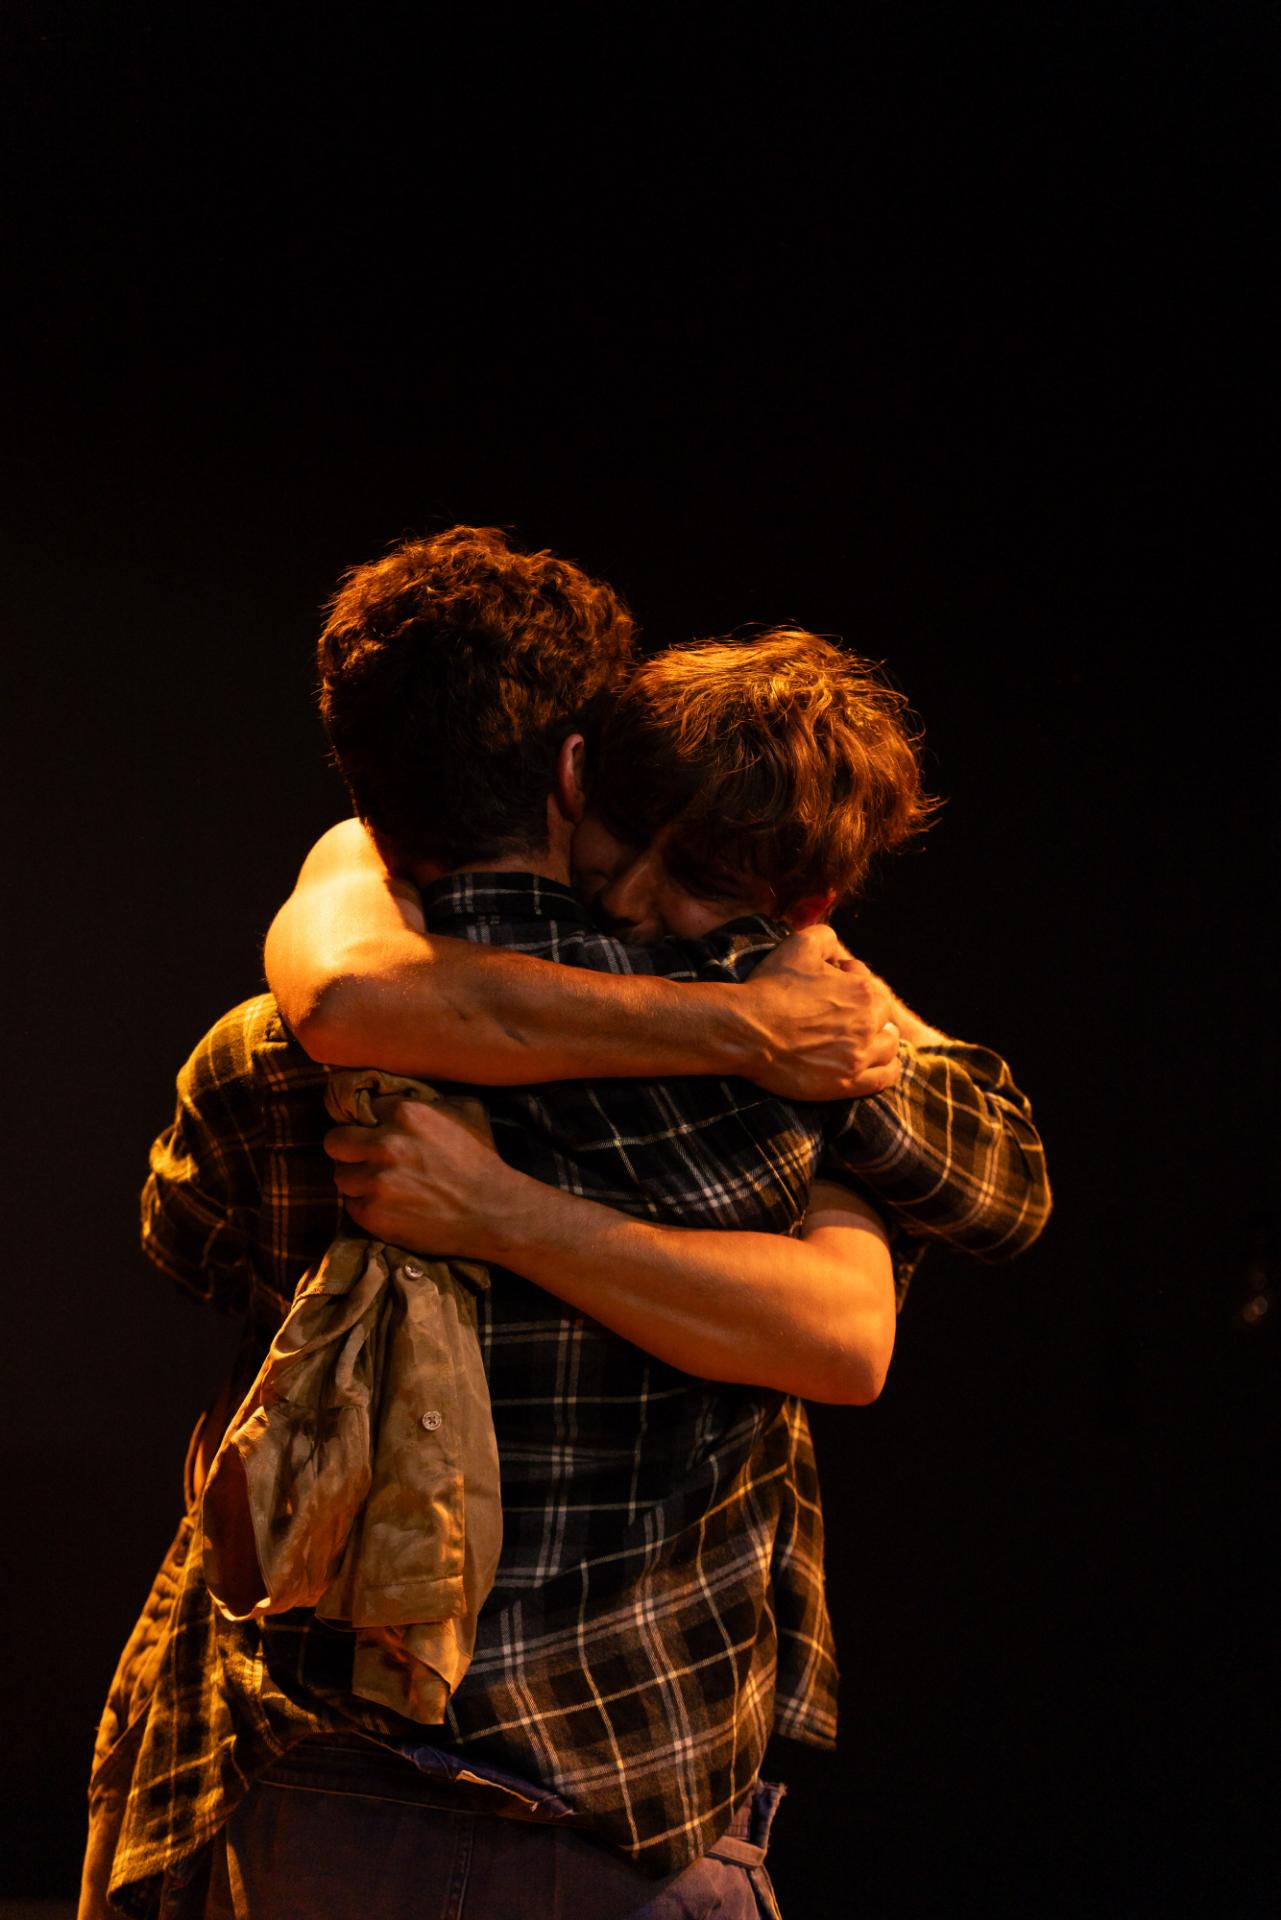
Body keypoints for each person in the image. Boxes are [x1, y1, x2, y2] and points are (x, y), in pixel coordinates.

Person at [81, 527, 1049, 1919]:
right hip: (626, 1817)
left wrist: (494, 1213)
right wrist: (789, 1011)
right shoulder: (794, 1067)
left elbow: (185, 1243)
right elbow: (996, 1195)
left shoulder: (268, 1040)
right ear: (580, 767)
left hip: (316, 1795)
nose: (643, 901)